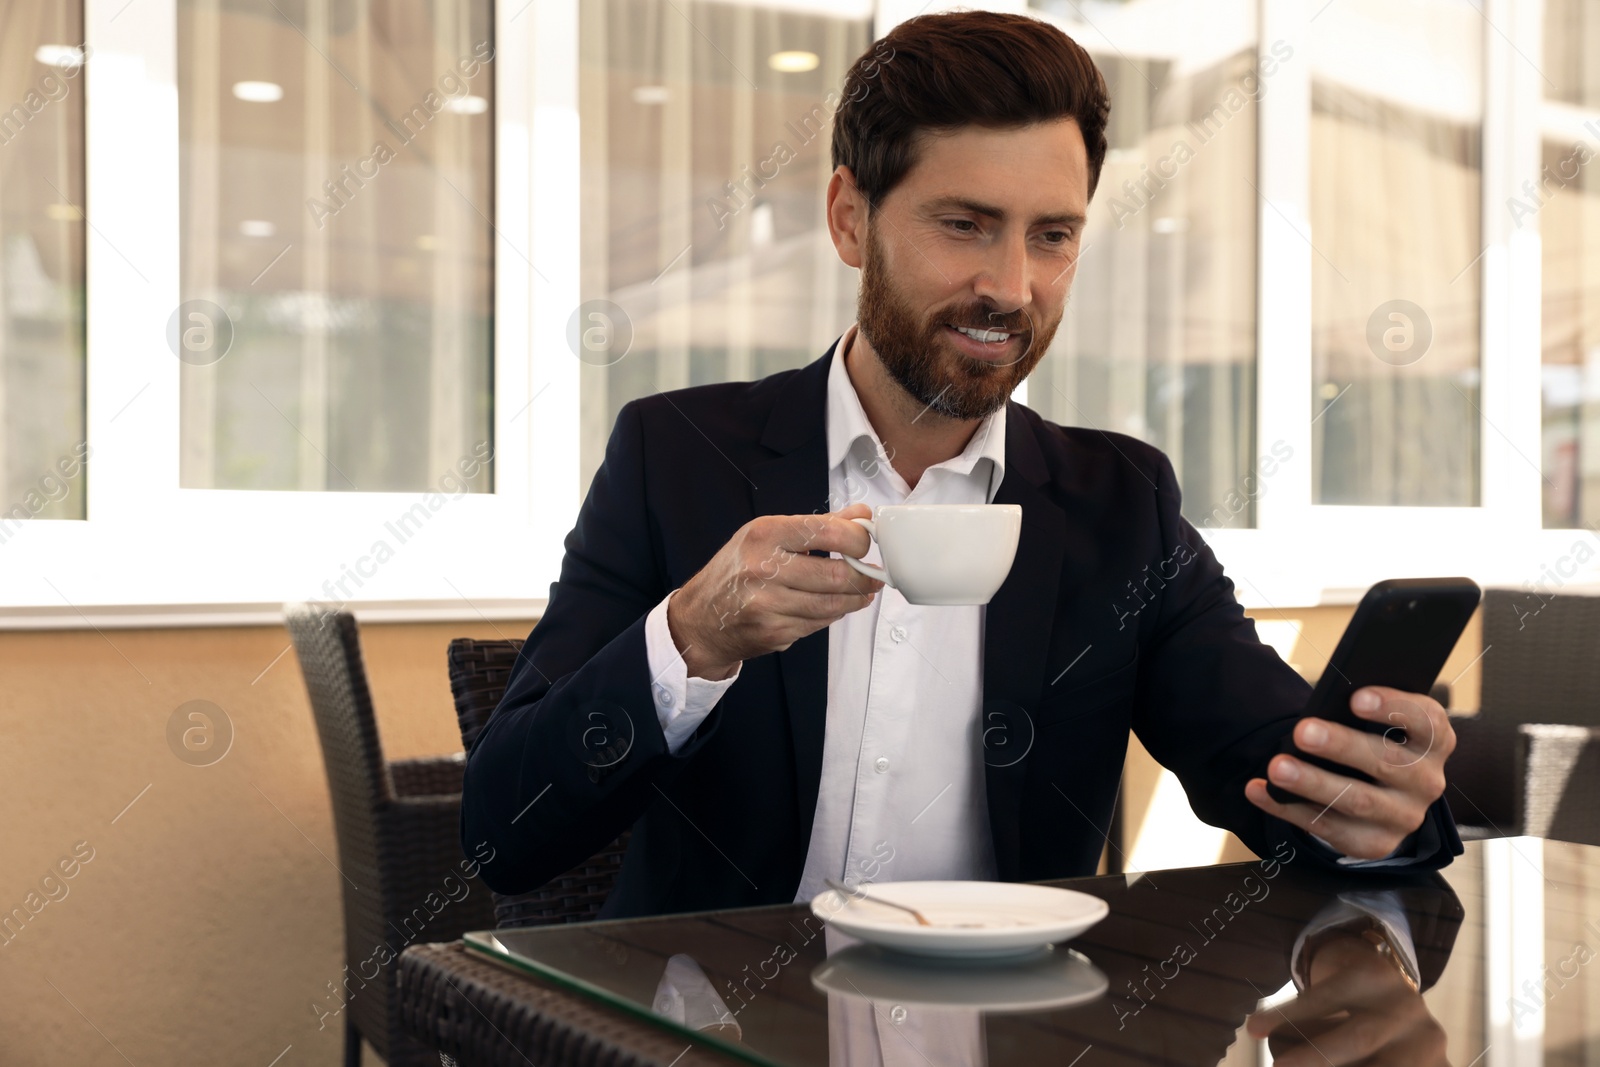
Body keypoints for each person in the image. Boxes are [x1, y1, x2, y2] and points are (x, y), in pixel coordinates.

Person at [461, 10, 1461, 919]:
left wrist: (1378, 804)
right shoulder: (677, 457)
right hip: (732, 1024)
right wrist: (690, 635)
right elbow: (504, 834)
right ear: (850, 217)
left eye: (1052, 235)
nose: (1011, 286)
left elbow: (1276, 771)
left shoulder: (1121, 506)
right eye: (964, 224)